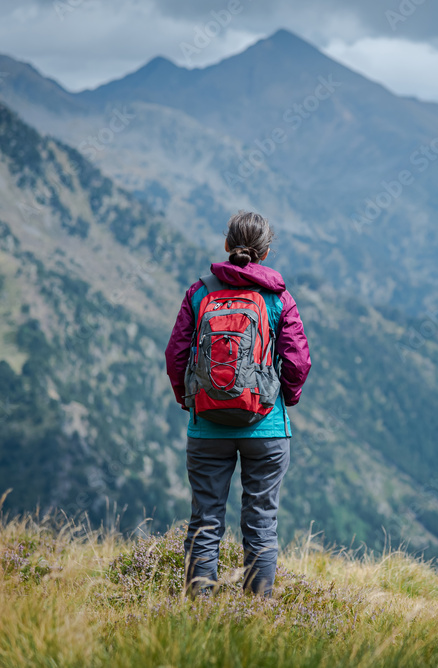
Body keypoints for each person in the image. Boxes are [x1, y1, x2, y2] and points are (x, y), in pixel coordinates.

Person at [165, 211, 311, 597]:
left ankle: (197, 612)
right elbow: (297, 360)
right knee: (261, 522)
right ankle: (257, 615)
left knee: (205, 521)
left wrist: (189, 400)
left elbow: (175, 355)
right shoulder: (279, 297)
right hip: (265, 426)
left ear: (227, 245)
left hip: (207, 426)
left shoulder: (199, 293)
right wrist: (286, 399)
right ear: (265, 252)